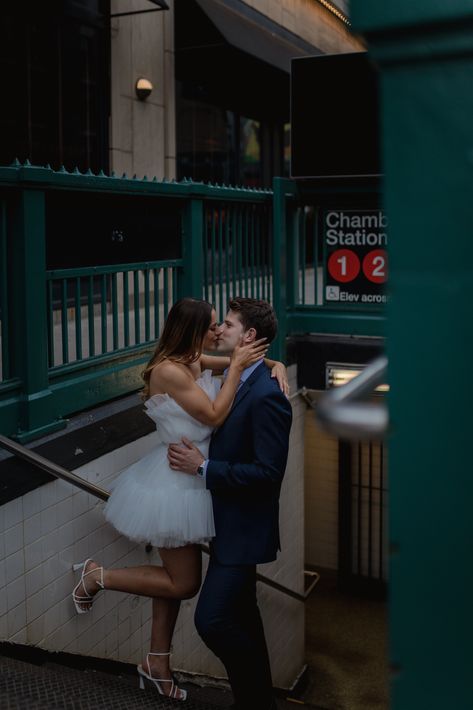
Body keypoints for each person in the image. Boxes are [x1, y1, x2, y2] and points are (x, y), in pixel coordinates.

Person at [71, 297, 288, 702]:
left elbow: (243, 366)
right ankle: (95, 576)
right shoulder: (169, 370)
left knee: (174, 583)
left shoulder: (194, 360)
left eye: (222, 325)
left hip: (195, 482)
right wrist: (239, 365)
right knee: (184, 584)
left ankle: (157, 663)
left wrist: (274, 364)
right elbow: (213, 416)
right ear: (191, 328)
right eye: (211, 325)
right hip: (174, 485)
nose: (217, 331)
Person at [168, 297, 293, 710]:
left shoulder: (267, 395)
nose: (219, 329)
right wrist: (273, 360)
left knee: (212, 620)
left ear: (250, 336)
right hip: (225, 525)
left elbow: (268, 473)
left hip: (242, 529)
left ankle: (255, 700)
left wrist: (205, 469)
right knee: (246, 620)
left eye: (228, 324)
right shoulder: (242, 374)